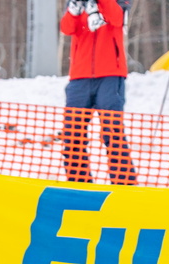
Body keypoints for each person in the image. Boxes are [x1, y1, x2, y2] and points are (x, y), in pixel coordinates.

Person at [60, 0, 137, 185]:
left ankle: (124, 184)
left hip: (110, 74)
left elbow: (116, 18)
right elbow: (67, 28)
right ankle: (79, 182)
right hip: (80, 76)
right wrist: (74, 10)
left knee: (112, 132)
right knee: (72, 133)